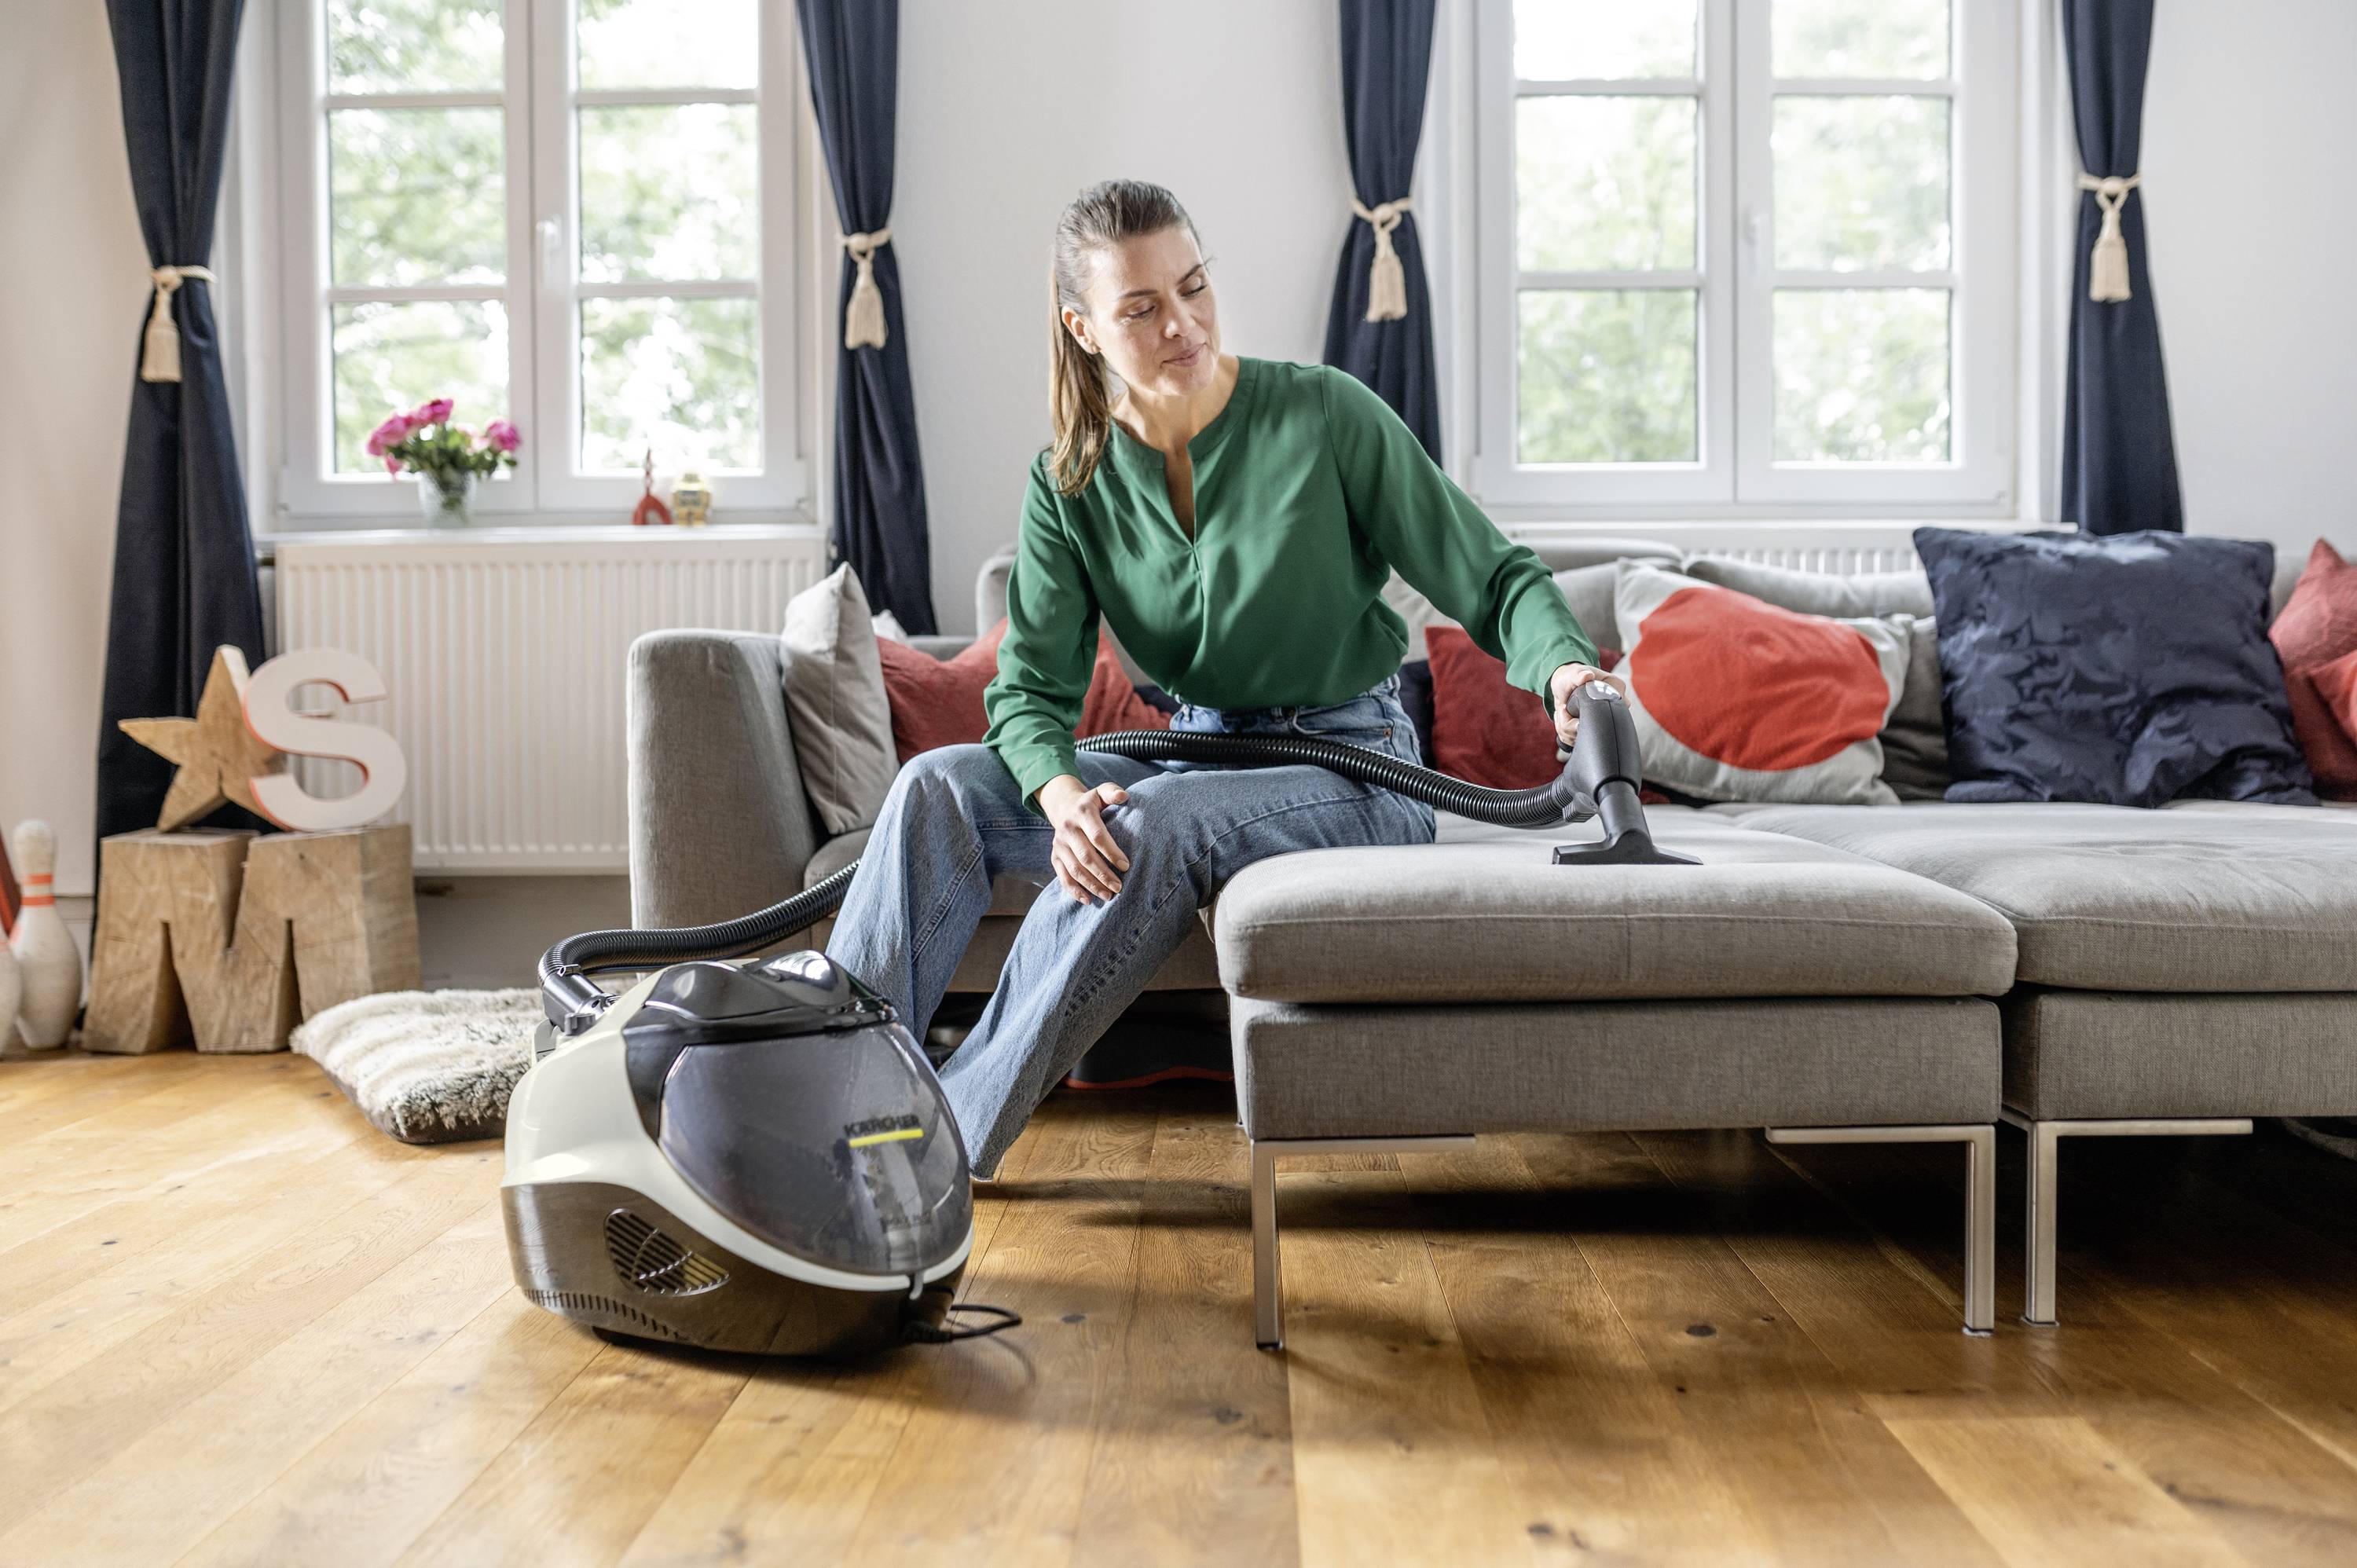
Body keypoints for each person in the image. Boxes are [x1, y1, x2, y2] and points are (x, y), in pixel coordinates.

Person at [824, 178, 1621, 1178]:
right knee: (936, 785)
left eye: (1193, 286)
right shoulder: (1069, 479)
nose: (1182, 323)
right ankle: (825, 1106)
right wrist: (1064, 797)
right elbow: (1028, 693)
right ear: (1082, 328)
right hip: (1200, 749)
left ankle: (926, 1151)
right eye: (1141, 307)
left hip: (1357, 770)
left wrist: (1566, 669)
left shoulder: (1326, 414)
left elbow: (1494, 576)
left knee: (1149, 826)